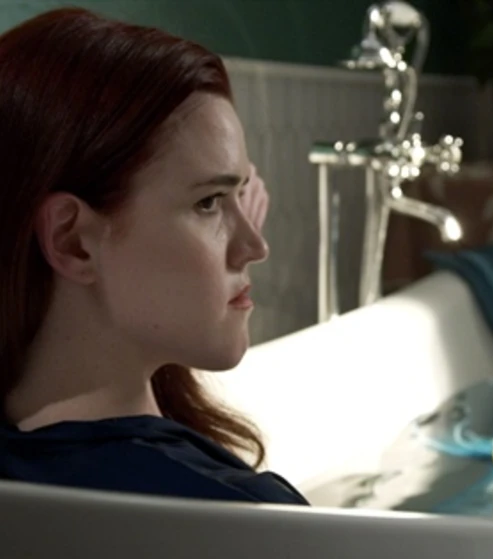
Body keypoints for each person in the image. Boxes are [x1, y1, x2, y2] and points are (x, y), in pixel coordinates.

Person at [0, 7, 308, 505]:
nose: (256, 246)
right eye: (208, 202)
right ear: (72, 241)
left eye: (240, 194)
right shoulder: (246, 522)